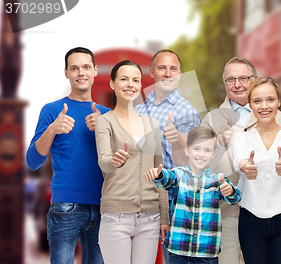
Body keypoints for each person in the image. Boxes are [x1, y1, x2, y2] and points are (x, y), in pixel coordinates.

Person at [201, 56, 281, 264]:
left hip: (268, 212)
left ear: (254, 79)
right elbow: (202, 169)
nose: (238, 84)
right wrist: (221, 143)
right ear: (224, 83)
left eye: (243, 78)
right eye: (231, 79)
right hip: (227, 212)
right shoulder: (212, 119)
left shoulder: (277, 115)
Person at [26, 47, 110, 264]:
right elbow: (32, 161)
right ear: (66, 73)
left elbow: (122, 161)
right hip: (66, 207)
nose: (80, 73)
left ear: (95, 71)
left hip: (104, 206)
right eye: (74, 68)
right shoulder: (52, 110)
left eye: (85, 67)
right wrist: (52, 129)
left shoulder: (107, 114)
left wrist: (104, 128)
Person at [94, 60, 168, 264]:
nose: (130, 84)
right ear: (112, 84)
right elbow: (103, 161)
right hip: (116, 217)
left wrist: (164, 216)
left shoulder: (152, 123)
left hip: (151, 219)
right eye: (124, 79)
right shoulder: (105, 121)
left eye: (136, 80)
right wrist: (114, 161)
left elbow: (160, 172)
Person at [135, 49, 201, 263]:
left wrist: (177, 139)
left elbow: (189, 162)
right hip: (141, 197)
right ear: (152, 72)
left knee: (172, 258)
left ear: (180, 74)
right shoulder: (139, 109)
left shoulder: (187, 111)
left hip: (174, 199)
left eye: (173, 69)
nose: (167, 73)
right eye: (162, 68)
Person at [232, 77, 281, 264]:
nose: (264, 106)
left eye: (270, 100)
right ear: (250, 105)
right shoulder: (241, 138)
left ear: (279, 101)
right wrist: (245, 167)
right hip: (251, 221)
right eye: (257, 101)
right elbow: (238, 159)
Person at [144, 126, 241, 264]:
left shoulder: (218, 179)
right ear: (186, 150)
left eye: (207, 150)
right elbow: (166, 178)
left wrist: (230, 190)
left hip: (207, 253)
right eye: (196, 148)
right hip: (178, 253)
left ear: (214, 154)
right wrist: (158, 175)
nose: (201, 154)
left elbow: (235, 197)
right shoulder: (179, 175)